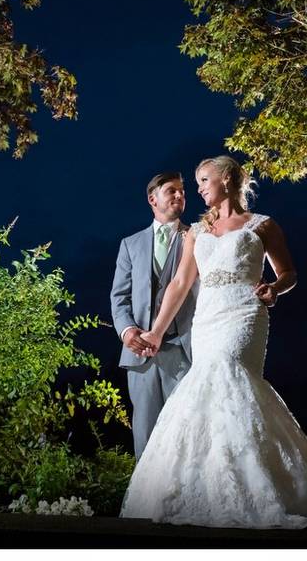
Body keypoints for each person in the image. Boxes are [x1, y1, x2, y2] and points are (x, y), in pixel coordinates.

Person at [119, 155, 307, 528]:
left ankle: (258, 488)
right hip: (208, 322)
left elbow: (289, 273)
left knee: (230, 379)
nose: (198, 189)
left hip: (244, 315)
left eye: (204, 180)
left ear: (228, 180)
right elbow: (179, 285)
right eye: (196, 183)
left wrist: (274, 289)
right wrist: (154, 331)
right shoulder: (197, 233)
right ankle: (216, 489)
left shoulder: (262, 226)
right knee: (207, 391)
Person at [110, 172, 198, 459]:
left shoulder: (197, 237)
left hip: (183, 349)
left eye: (182, 192)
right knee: (145, 435)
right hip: (139, 354)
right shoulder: (130, 244)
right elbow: (119, 297)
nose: (179, 196)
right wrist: (128, 332)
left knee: (185, 432)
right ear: (152, 198)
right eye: (171, 191)